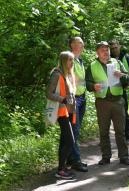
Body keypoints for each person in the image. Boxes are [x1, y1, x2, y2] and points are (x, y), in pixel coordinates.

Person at [85, 41, 129, 165]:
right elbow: (87, 83)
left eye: (107, 49)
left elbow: (128, 80)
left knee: (120, 131)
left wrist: (121, 75)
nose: (106, 52)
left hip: (118, 101)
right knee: (103, 131)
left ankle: (124, 156)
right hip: (102, 102)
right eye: (102, 50)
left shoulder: (118, 62)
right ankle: (106, 156)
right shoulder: (92, 65)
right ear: (97, 52)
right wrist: (93, 86)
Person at [46, 51, 76, 179]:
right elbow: (48, 93)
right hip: (60, 111)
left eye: (72, 60)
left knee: (64, 141)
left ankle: (61, 168)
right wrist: (62, 99)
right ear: (64, 61)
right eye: (70, 60)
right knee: (70, 141)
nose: (72, 63)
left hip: (67, 111)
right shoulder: (57, 74)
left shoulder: (67, 74)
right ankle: (60, 170)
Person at [66, 37, 88, 172]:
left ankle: (70, 157)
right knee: (74, 129)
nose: (78, 45)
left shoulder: (80, 60)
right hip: (73, 99)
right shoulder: (69, 59)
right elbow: (68, 77)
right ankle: (76, 160)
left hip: (82, 98)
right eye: (75, 43)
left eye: (80, 43)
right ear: (71, 45)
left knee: (76, 129)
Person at [109, 40, 129, 145]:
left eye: (116, 47)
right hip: (108, 92)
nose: (114, 49)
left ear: (120, 46)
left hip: (122, 91)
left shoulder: (126, 59)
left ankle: (127, 137)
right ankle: (108, 138)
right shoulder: (107, 59)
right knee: (109, 116)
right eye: (112, 48)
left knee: (124, 115)